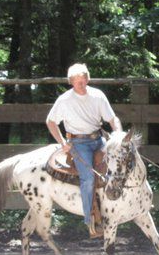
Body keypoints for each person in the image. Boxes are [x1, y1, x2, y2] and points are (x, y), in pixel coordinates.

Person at [46, 63, 122, 236]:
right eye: (77, 81)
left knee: (118, 165)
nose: (81, 84)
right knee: (88, 178)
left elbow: (112, 118)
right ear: (71, 82)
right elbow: (51, 122)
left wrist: (118, 134)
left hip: (99, 139)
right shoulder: (64, 100)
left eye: (84, 80)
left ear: (88, 79)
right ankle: (91, 220)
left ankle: (123, 206)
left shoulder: (98, 95)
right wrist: (62, 143)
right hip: (78, 143)